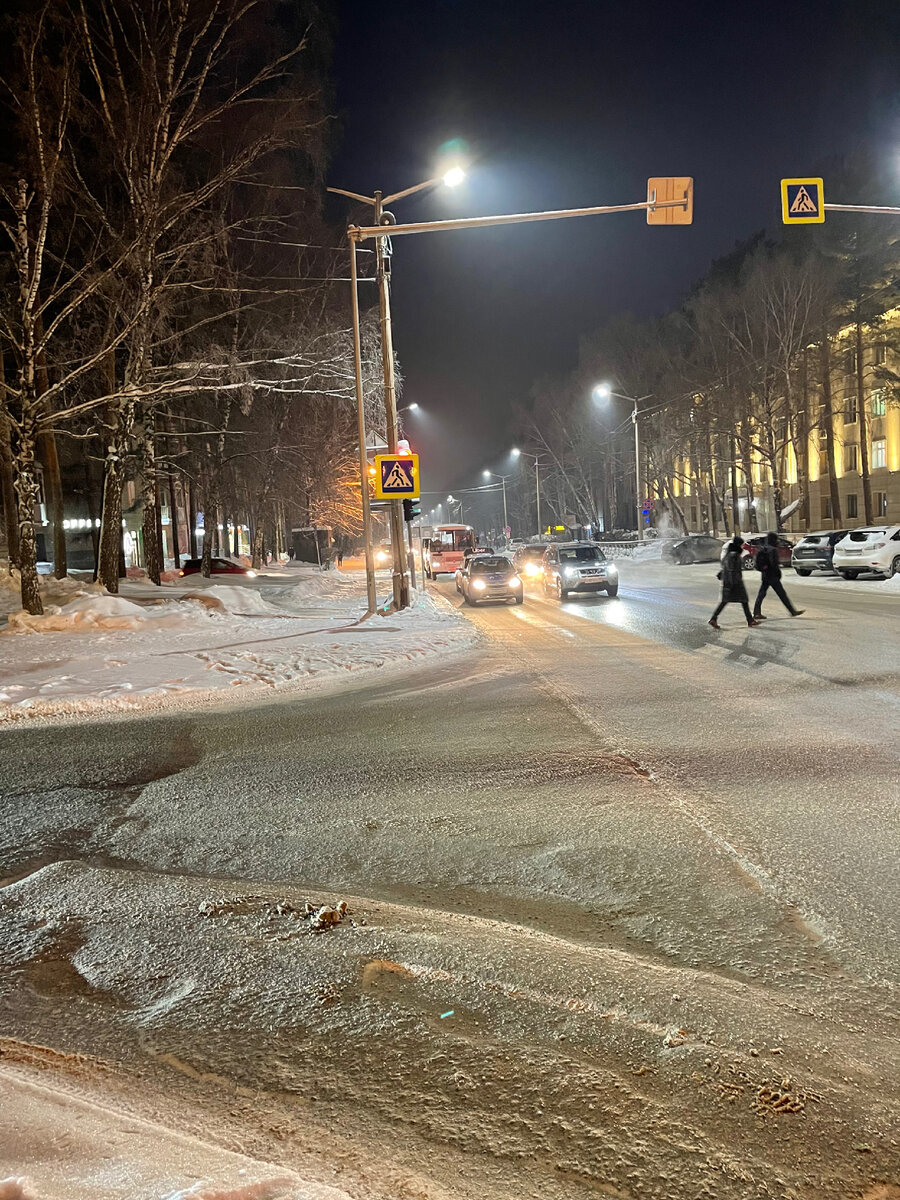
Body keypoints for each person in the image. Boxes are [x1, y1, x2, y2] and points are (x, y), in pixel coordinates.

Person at [709, 536, 760, 629]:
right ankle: (750, 620)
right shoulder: (734, 555)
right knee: (743, 601)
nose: (743, 547)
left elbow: (725, 567)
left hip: (729, 582)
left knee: (726, 601)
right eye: (741, 545)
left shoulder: (729, 553)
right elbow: (732, 570)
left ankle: (714, 618)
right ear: (738, 545)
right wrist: (734, 583)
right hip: (734, 583)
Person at [752, 532, 804, 620]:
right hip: (772, 576)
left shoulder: (764, 548)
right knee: (782, 594)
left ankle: (756, 612)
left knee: (761, 594)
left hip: (765, 574)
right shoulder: (773, 549)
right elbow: (774, 564)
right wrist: (778, 574)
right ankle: (792, 611)